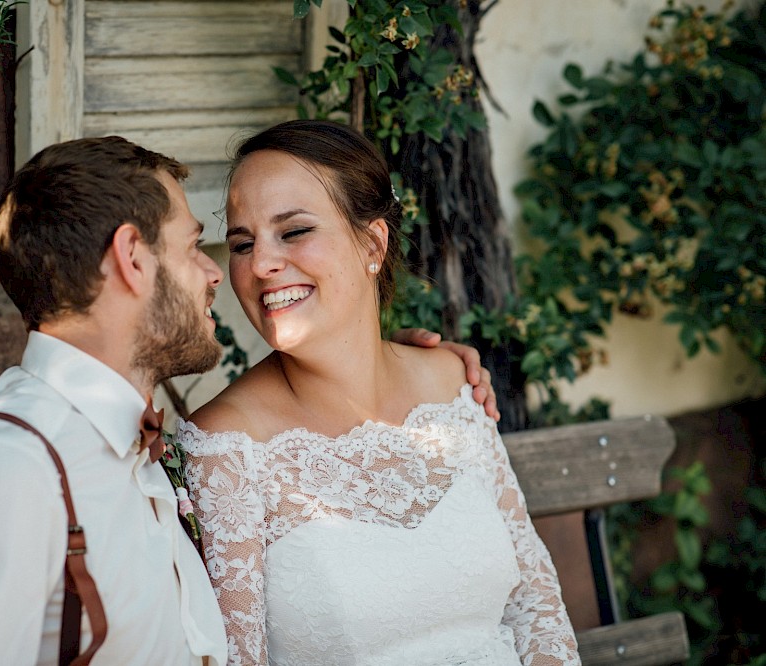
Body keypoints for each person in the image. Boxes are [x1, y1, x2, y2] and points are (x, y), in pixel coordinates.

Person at [0, 135, 498, 665]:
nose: (217, 274)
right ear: (131, 259)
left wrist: (395, 367)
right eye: (194, 246)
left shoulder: (134, 446)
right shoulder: (2, 475)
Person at [178, 120, 581, 666]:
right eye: (242, 243)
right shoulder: (224, 446)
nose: (260, 265)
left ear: (372, 242)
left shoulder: (452, 384)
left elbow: (535, 604)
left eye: (293, 231)